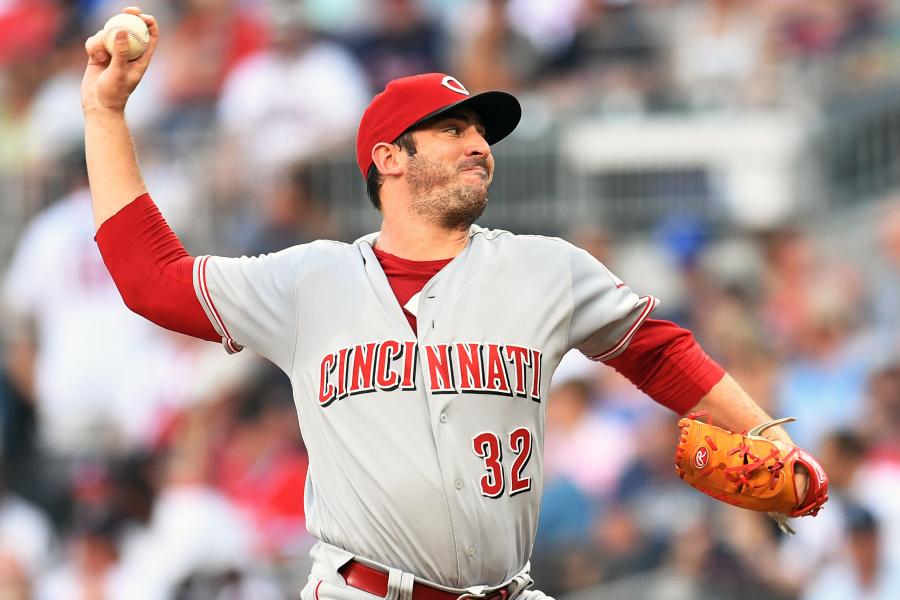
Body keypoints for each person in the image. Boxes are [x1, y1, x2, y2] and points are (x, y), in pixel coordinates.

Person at [81, 8, 824, 599]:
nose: (479, 144)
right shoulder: (309, 282)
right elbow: (152, 281)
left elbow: (658, 350)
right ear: (389, 158)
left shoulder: (547, 269)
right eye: (453, 129)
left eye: (482, 132)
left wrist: (766, 435)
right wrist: (106, 114)